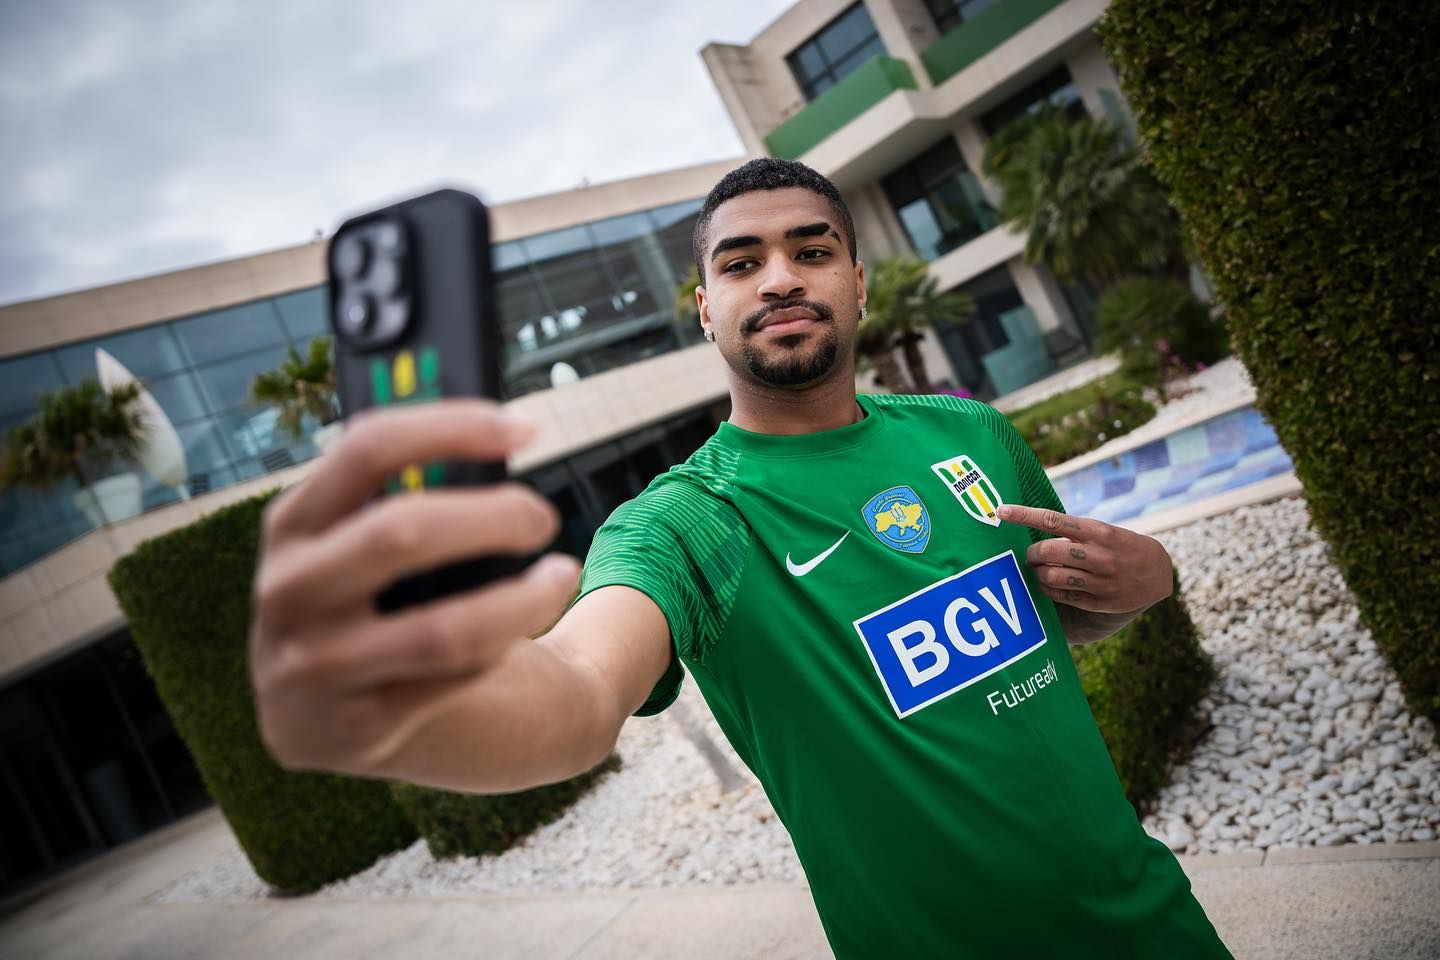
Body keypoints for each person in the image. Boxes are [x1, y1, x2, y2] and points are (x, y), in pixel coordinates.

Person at [250, 158, 1232, 958]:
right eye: (741, 262)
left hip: (1154, 922)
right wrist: (400, 712)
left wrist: (1150, 577)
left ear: (857, 282)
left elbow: (1064, 613)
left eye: (812, 250)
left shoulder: (971, 432)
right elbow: (580, 690)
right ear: (705, 308)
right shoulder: (686, 521)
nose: (780, 278)